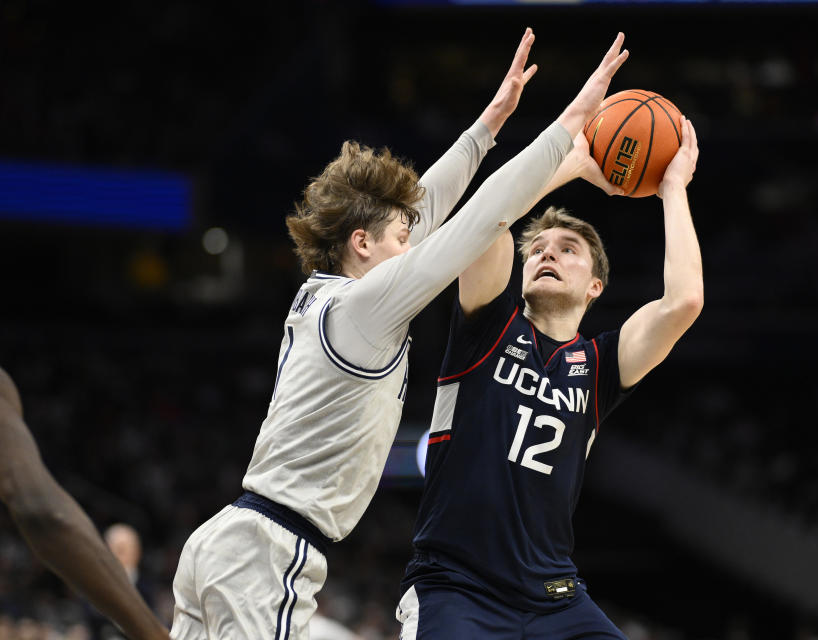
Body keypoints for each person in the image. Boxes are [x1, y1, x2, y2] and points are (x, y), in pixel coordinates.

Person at [170, 29, 630, 639]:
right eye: (400, 238)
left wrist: (490, 124)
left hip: (229, 540)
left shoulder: (327, 296)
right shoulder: (364, 306)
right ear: (363, 244)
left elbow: (427, 206)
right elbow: (475, 222)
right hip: (268, 554)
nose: (412, 241)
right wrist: (571, 124)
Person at [395, 116, 701, 638]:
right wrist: (571, 167)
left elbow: (684, 301)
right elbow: (486, 220)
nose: (546, 254)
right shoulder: (487, 323)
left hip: (554, 597)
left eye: (567, 249)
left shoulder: (601, 366)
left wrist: (672, 188)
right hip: (456, 585)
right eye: (536, 250)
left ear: (595, 287)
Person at [0, 366, 170, 640]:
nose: (118, 552)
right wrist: (156, 636)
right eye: (113, 546)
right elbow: (41, 512)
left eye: (124, 547)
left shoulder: (147, 587)